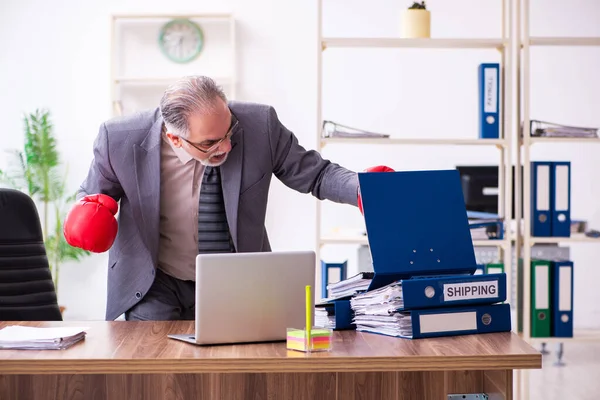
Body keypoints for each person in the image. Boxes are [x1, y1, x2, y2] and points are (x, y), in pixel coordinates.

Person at [63, 75, 393, 321]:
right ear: (174, 138)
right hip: (155, 281)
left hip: (235, 277)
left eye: (228, 132)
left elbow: (315, 173)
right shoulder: (119, 139)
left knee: (234, 374)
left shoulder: (259, 123)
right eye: (210, 142)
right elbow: (92, 196)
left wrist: (364, 190)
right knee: (159, 373)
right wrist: (88, 212)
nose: (226, 147)